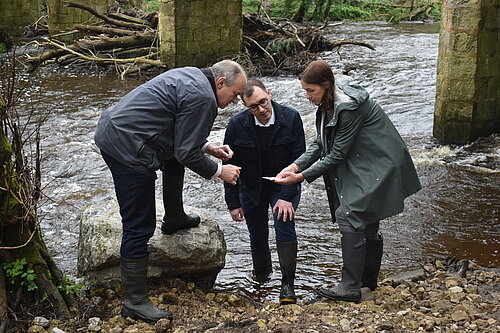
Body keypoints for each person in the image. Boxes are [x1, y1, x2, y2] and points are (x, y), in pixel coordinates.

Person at [94, 60, 247, 322]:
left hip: (118, 129)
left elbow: (178, 131)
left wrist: (208, 148)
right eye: (235, 95)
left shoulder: (192, 75)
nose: (235, 102)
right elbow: (186, 151)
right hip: (127, 147)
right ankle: (135, 301)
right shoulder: (204, 98)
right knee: (138, 225)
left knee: (173, 159)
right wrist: (220, 171)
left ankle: (174, 217)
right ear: (221, 83)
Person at [274, 60, 421, 303]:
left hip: (382, 161)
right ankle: (367, 281)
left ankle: (350, 286)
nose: (307, 96)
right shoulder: (328, 104)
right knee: (366, 218)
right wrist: (295, 165)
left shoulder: (348, 107)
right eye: (305, 91)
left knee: (348, 214)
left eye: (311, 91)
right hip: (369, 160)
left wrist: (301, 177)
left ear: (326, 85)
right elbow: (320, 144)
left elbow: (336, 154)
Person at [223, 79, 306, 304]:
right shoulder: (237, 125)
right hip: (251, 187)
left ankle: (287, 285)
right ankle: (261, 280)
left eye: (263, 102)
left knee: (283, 223)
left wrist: (287, 197)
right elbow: (229, 167)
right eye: (253, 106)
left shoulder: (291, 118)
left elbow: (300, 160)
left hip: (283, 185)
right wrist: (233, 203)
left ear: (269, 94)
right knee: (257, 233)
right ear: (245, 106)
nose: (261, 110)